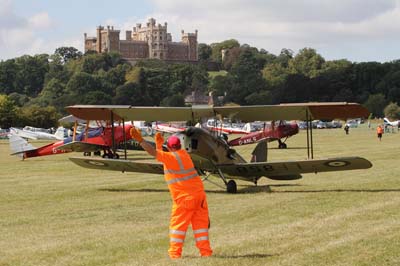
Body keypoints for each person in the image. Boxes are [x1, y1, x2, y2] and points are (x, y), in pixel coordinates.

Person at [130, 127, 212, 259]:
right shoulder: (183, 155)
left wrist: (141, 140)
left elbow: (154, 154)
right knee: (200, 227)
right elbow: (163, 158)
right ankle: (206, 253)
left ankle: (175, 254)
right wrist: (159, 145)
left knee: (177, 228)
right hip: (199, 196)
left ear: (169, 147)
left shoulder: (171, 158)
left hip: (184, 200)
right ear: (179, 146)